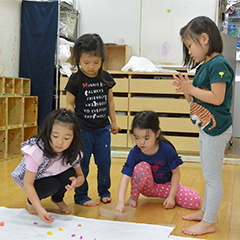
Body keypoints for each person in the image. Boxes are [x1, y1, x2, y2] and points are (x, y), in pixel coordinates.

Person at [172, 16, 234, 236]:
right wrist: (186, 90)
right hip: (207, 127)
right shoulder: (204, 67)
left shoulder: (219, 64)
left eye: (190, 46)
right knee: (208, 173)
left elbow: (217, 98)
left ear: (205, 39)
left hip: (216, 130)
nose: (189, 52)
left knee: (212, 177)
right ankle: (206, 212)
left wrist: (191, 89)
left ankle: (209, 221)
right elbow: (197, 101)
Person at [65, 33, 120, 207]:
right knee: (83, 163)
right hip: (83, 131)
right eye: (86, 63)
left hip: (103, 129)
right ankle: (81, 195)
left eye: (96, 63)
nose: (91, 67)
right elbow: (69, 104)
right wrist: (71, 126)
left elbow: (110, 101)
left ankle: (104, 191)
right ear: (78, 59)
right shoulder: (75, 80)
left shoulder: (105, 77)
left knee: (104, 162)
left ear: (102, 59)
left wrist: (114, 121)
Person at [115, 111, 202, 214]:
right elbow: (125, 176)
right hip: (147, 188)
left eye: (146, 138)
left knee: (196, 201)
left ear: (157, 133)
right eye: (137, 138)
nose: (141, 142)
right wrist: (120, 203)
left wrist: (171, 197)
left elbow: (176, 173)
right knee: (141, 167)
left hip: (166, 187)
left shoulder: (167, 149)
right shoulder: (135, 152)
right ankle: (134, 197)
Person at [11, 108, 85, 223]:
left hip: (53, 174)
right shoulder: (37, 150)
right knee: (52, 185)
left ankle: (57, 199)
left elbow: (80, 176)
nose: (60, 142)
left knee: (70, 174)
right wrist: (39, 208)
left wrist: (76, 182)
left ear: (74, 138)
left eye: (66, 138)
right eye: (55, 136)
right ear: (47, 133)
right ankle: (31, 201)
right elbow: (28, 184)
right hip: (37, 180)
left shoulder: (72, 151)